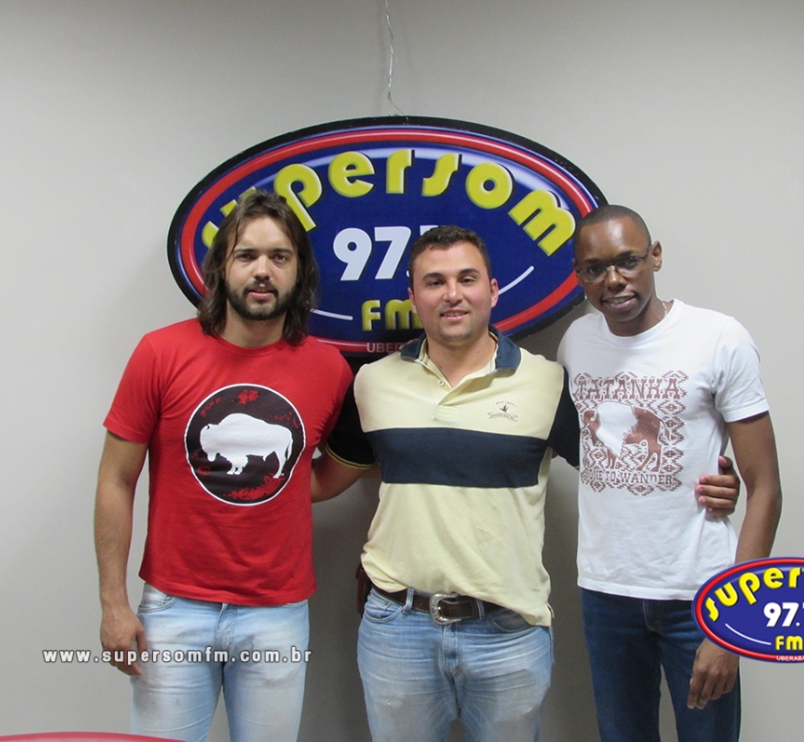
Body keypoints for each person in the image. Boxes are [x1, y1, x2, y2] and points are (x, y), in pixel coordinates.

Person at [313, 225, 741, 742]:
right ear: (413, 296)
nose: (452, 294)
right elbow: (328, 479)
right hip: (397, 628)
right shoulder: (373, 383)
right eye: (435, 281)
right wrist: (241, 481)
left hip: (508, 633)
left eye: (467, 279)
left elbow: (621, 471)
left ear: (492, 291)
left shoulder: (549, 383)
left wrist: (713, 478)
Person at [94, 190, 352, 742]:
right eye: (246, 255)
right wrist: (113, 603)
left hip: (277, 611)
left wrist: (282, 482)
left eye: (279, 257)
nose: (262, 271)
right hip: (174, 607)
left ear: (299, 272)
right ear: (221, 268)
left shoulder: (328, 368)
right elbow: (116, 478)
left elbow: (329, 467)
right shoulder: (160, 353)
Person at [557, 205, 783, 742]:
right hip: (606, 592)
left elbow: (766, 488)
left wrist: (734, 623)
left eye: (628, 261)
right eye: (595, 268)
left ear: (654, 256)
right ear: (579, 274)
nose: (614, 280)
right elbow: (591, 447)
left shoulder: (718, 337)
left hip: (701, 596)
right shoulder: (576, 342)